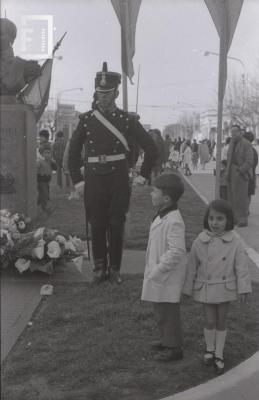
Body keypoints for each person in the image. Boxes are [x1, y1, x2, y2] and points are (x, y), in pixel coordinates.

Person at [68, 62, 158, 284]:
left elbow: (151, 147)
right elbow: (72, 152)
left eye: (107, 93)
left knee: (116, 223)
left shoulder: (127, 120)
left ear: (116, 93)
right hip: (94, 178)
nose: (103, 97)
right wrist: (78, 181)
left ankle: (115, 269)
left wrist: (143, 174)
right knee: (97, 223)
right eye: (100, 92)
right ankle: (99, 268)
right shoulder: (87, 119)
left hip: (118, 177)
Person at [183, 199, 251, 375]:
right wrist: (187, 288)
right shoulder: (200, 239)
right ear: (207, 219)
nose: (215, 222)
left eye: (220, 219)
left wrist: (244, 287)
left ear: (228, 220)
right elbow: (191, 265)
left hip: (225, 287)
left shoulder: (235, 241)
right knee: (209, 320)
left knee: (221, 321)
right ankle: (209, 349)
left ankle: (219, 353)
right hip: (206, 286)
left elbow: (242, 265)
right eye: (212, 218)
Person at [141, 173, 187, 362]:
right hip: (159, 273)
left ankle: (175, 348)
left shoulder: (174, 220)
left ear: (166, 198)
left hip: (166, 274)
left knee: (168, 311)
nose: (151, 194)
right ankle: (166, 340)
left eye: (154, 191)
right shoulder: (163, 214)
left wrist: (158, 269)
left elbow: (176, 251)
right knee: (160, 308)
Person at [225, 125, 254, 227]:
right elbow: (229, 158)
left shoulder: (246, 144)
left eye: (234, 132)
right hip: (231, 173)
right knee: (232, 197)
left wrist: (241, 170)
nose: (232, 134)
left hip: (241, 173)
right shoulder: (232, 144)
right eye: (231, 132)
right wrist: (227, 172)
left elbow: (250, 160)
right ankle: (234, 218)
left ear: (240, 132)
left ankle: (242, 220)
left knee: (241, 197)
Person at [37, 142, 57, 215]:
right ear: (42, 154)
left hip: (47, 181)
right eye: (45, 153)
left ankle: (38, 204)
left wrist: (52, 161)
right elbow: (36, 171)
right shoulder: (40, 162)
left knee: (44, 194)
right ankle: (44, 208)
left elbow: (56, 168)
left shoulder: (50, 162)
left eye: (49, 153)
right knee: (44, 194)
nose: (47, 154)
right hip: (41, 180)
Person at [243, 131, 258, 207]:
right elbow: (255, 163)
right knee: (248, 193)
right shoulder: (254, 151)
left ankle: (245, 208)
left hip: (244, 175)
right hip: (251, 175)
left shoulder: (245, 150)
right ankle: (246, 208)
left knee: (244, 192)